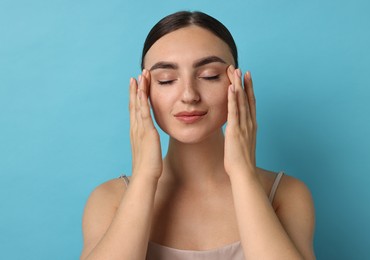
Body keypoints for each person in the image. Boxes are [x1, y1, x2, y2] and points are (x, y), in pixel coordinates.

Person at [80, 11, 316, 260]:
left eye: (209, 76)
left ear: (235, 84)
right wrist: (144, 177)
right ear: (144, 91)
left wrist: (242, 173)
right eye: (166, 80)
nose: (189, 95)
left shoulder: (286, 194)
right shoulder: (109, 200)